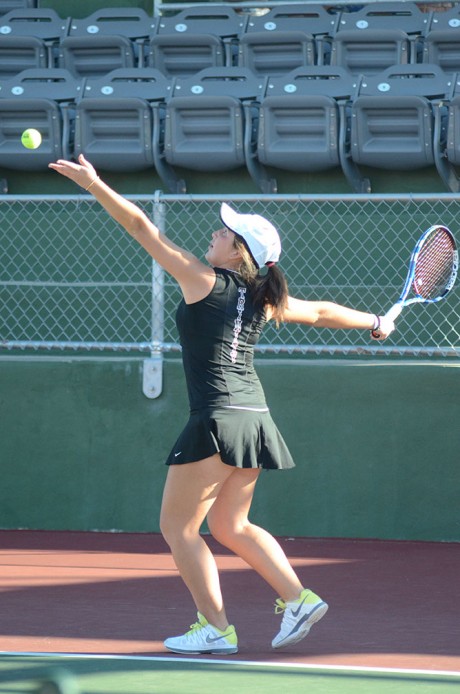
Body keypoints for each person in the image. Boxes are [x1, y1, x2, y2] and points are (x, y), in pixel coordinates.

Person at [49, 154, 395, 655]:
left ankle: (216, 628)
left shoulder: (201, 278)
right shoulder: (261, 297)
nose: (213, 234)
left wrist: (95, 184)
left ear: (237, 253)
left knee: (178, 527)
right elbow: (320, 311)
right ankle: (298, 598)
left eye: (222, 233)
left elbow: (141, 225)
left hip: (216, 418)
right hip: (253, 418)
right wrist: (375, 321)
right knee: (231, 525)